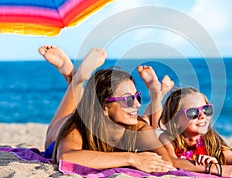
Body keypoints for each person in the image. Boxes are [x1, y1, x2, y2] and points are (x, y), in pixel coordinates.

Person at [38, 45, 175, 172]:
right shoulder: (78, 127)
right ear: (105, 107)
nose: (138, 105)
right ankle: (76, 81)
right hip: (67, 128)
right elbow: (66, 157)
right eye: (128, 99)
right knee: (51, 135)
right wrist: (131, 158)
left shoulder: (140, 130)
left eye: (137, 97)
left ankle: (75, 79)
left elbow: (166, 162)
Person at [158, 87, 232, 177]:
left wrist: (220, 167)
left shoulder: (212, 140)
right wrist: (211, 168)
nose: (202, 115)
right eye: (193, 112)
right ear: (175, 119)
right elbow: (172, 161)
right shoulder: (168, 138)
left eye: (206, 109)